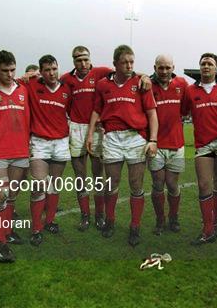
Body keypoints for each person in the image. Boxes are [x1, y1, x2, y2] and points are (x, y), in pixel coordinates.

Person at [86, 44, 158, 247]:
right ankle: (110, 221)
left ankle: (135, 226)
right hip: (112, 139)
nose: (129, 65)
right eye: (124, 62)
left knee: (136, 184)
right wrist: (90, 134)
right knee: (112, 183)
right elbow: (96, 110)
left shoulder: (142, 83)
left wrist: (153, 140)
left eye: (131, 62)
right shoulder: (103, 85)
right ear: (115, 64)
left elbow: (152, 114)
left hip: (135, 138)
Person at [183, 52, 217, 245]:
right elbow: (181, 112)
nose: (206, 67)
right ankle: (207, 229)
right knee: (205, 184)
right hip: (203, 144)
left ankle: (216, 222)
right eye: (203, 63)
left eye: (210, 64)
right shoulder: (190, 91)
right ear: (199, 67)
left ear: (216, 68)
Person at [0, 50, 30, 263]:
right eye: (4, 71)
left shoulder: (23, 89)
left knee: (11, 195)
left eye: (12, 70)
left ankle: (8, 230)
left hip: (20, 151)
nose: (9, 74)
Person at [60, 46, 111, 231]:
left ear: (90, 59)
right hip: (76, 129)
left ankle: (99, 216)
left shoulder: (101, 72)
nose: (82, 63)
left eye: (85, 59)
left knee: (98, 175)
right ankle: (85, 217)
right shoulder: (66, 78)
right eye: (78, 60)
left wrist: (144, 76)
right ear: (73, 61)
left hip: (96, 129)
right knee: (80, 176)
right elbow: (45, 80)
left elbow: (125, 71)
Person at [24, 55, 71, 246]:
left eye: (54, 68)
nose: (52, 73)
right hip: (39, 141)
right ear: (40, 72)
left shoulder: (67, 89)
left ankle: (50, 220)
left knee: (54, 185)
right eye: (47, 70)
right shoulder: (32, 84)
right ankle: (36, 228)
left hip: (60, 142)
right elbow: (11, 80)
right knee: (39, 186)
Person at [148, 54, 188, 235]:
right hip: (155, 144)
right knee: (157, 183)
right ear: (155, 67)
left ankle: (174, 217)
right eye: (160, 68)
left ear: (173, 67)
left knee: (172, 184)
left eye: (167, 67)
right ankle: (160, 220)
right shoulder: (147, 85)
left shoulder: (182, 84)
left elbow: (186, 110)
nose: (164, 71)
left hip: (176, 144)